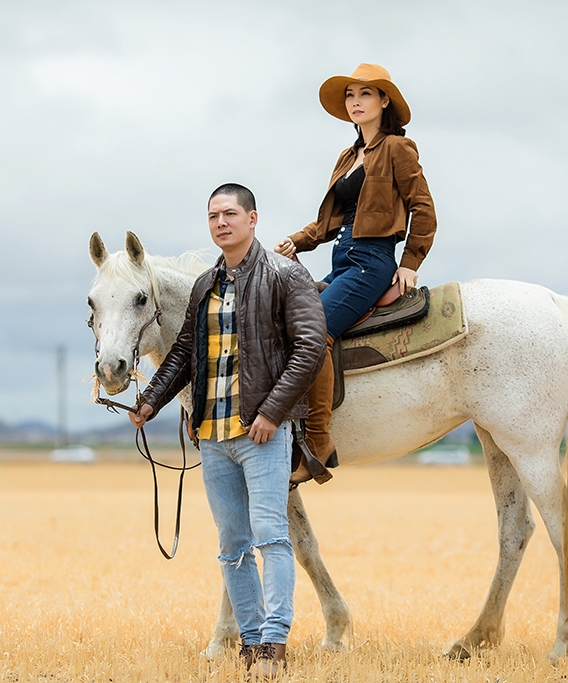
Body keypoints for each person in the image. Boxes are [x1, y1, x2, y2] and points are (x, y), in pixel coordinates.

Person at [130, 183, 327, 678]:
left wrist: (272, 413)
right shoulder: (204, 286)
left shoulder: (286, 275)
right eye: (213, 215)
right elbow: (183, 354)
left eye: (231, 213)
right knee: (231, 544)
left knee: (271, 537)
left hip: (260, 433)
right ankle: (252, 641)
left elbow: (309, 349)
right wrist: (151, 400)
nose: (221, 222)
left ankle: (275, 644)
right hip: (213, 436)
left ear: (253, 218)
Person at [275, 63, 438, 483]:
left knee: (315, 332)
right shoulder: (348, 157)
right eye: (350, 95)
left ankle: (318, 440)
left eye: (365, 94)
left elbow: (424, 208)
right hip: (343, 259)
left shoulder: (399, 150)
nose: (355, 102)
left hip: (372, 261)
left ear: (384, 101)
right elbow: (328, 223)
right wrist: (296, 241)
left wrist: (410, 263)